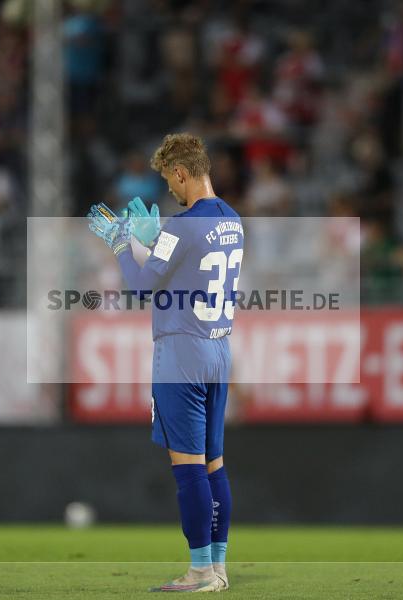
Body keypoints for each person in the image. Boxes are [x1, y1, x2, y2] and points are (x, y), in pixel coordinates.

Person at [87, 134, 240, 592]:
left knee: (188, 466)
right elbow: (177, 274)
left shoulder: (182, 225)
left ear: (181, 173)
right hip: (217, 350)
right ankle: (218, 566)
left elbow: (141, 287)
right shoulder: (232, 219)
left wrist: (120, 243)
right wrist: (151, 247)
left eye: (168, 181)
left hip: (181, 353)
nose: (169, 192)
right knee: (213, 463)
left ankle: (199, 573)